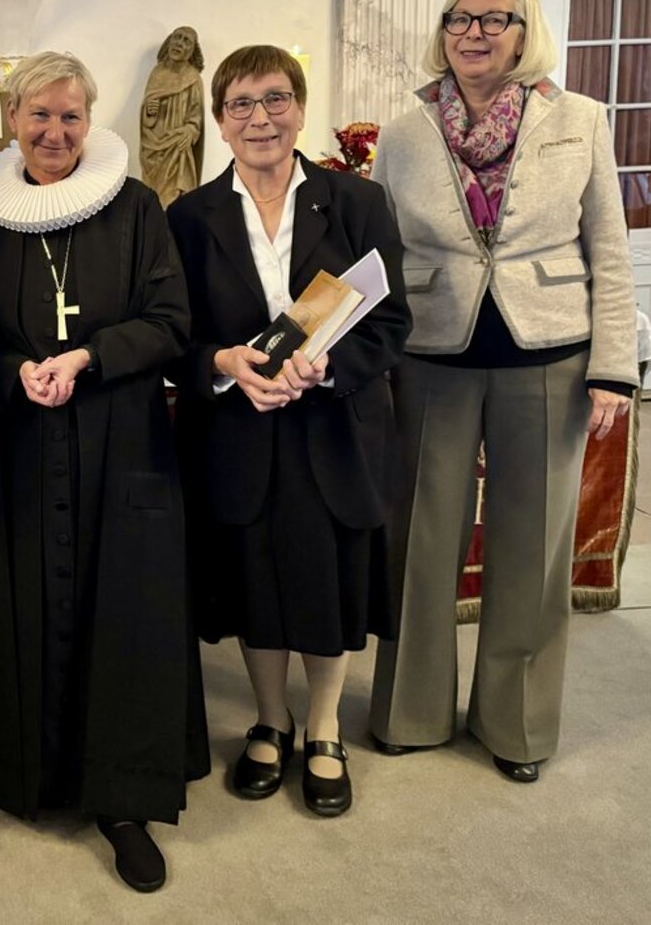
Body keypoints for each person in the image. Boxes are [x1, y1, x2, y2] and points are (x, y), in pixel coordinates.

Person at [0, 51, 210, 893]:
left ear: (89, 123)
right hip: (26, 438)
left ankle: (124, 802)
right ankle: (42, 776)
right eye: (38, 114)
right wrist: (15, 370)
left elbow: (171, 321)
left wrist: (92, 355)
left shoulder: (133, 208)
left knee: (121, 607)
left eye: (69, 116)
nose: (53, 131)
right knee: (37, 599)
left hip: (120, 437)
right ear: (12, 120)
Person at [368, 0, 638, 782]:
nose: (474, 32)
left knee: (533, 550)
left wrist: (614, 370)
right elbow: (380, 253)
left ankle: (515, 724)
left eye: (495, 19)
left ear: (525, 33)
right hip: (430, 354)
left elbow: (611, 251)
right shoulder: (404, 130)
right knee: (418, 542)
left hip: (548, 356)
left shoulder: (580, 120)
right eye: (460, 18)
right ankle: (410, 713)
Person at [167, 44, 411, 818]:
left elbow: (392, 319)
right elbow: (174, 334)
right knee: (254, 577)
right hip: (239, 430)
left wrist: (329, 368)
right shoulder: (189, 217)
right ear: (219, 121)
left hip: (333, 425)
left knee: (329, 575)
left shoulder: (355, 203)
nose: (260, 118)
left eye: (275, 99)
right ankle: (269, 722)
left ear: (300, 109)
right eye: (240, 104)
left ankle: (324, 725)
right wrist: (222, 362)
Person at [139, 25, 206, 209]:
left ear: (192, 50)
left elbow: (196, 115)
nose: (179, 43)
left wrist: (190, 129)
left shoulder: (193, 78)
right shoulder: (157, 73)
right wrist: (149, 111)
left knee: (177, 199)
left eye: (186, 41)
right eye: (177, 37)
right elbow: (147, 110)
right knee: (153, 198)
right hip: (154, 145)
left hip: (178, 145)